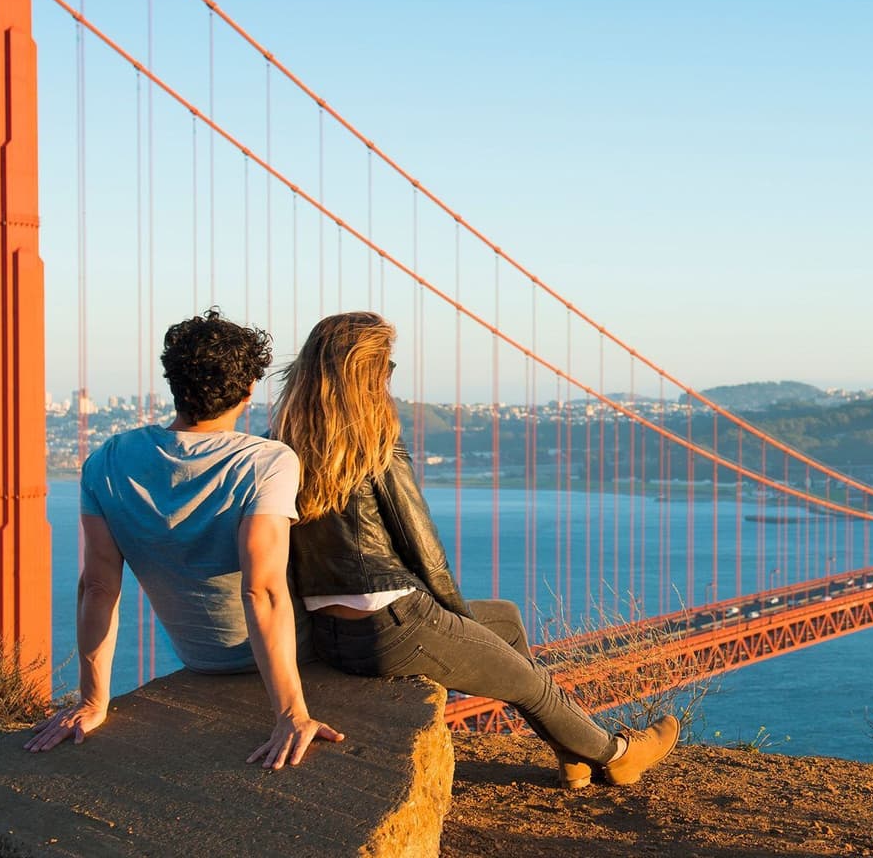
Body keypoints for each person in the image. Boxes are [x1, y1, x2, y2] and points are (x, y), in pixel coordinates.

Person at [274, 311, 678, 788]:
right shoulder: (375, 444)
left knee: (503, 619)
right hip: (394, 624)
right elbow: (425, 551)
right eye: (388, 366)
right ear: (368, 372)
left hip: (332, 635)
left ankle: (571, 750)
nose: (390, 378)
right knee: (530, 684)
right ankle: (617, 754)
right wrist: (456, 623)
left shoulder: (282, 445)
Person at [25, 309, 342, 770]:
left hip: (200, 658)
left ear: (173, 382)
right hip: (301, 649)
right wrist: (291, 714)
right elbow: (263, 590)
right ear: (250, 389)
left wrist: (93, 701)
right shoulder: (268, 460)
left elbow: (98, 587)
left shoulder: (107, 460)